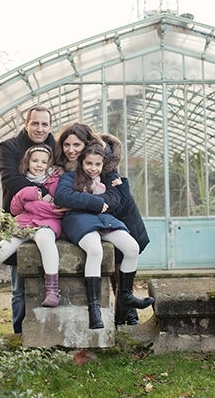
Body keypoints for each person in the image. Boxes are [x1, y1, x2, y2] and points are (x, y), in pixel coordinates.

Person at [54, 122, 150, 325]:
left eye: (77, 145)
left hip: (120, 216)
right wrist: (94, 203)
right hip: (89, 220)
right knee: (99, 253)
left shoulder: (105, 164)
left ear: (87, 145)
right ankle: (98, 309)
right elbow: (62, 195)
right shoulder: (68, 171)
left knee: (125, 255)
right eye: (67, 145)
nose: (71, 150)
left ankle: (127, 308)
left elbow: (116, 199)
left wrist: (97, 203)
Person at [0, 144, 63, 306]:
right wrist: (30, 194)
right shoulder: (24, 182)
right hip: (23, 224)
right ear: (28, 162)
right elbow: (15, 208)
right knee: (1, 251)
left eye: (43, 162)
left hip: (46, 224)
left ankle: (53, 290)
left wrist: (31, 205)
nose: (39, 165)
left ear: (49, 164)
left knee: (47, 243)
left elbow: (57, 209)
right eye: (35, 161)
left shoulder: (55, 182)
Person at [0, 106, 55, 333]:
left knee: (51, 276)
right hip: (18, 219)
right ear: (26, 123)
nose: (39, 128)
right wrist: (44, 196)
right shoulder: (9, 147)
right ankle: (19, 332)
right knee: (19, 284)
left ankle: (48, 331)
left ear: (50, 126)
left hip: (51, 222)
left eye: (44, 124)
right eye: (35, 123)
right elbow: (11, 179)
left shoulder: (58, 147)